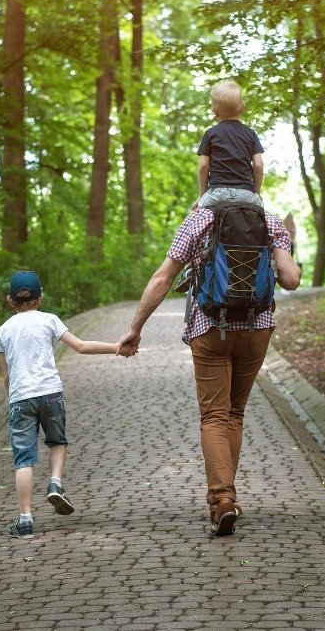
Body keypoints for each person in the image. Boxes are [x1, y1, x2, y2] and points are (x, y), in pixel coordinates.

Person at [117, 208, 301, 537]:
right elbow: (291, 280)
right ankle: (226, 496)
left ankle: (222, 500)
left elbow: (163, 279)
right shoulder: (269, 220)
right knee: (234, 413)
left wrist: (135, 328)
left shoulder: (198, 219)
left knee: (214, 416)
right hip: (256, 328)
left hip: (210, 329)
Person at [0, 270, 135, 538]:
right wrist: (117, 347)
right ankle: (55, 484)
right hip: (50, 394)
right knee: (57, 442)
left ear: (10, 300)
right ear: (40, 298)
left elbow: (6, 376)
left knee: (23, 459)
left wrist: (13, 398)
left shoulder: (3, 331)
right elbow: (81, 346)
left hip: (20, 398)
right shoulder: (49, 320)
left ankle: (25, 521)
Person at [196, 80, 265, 210]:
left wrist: (202, 195)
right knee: (266, 221)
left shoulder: (210, 134)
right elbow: (258, 165)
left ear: (214, 111)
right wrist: (256, 193)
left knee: (193, 222)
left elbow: (203, 167)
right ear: (243, 107)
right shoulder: (251, 134)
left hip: (217, 193)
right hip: (246, 193)